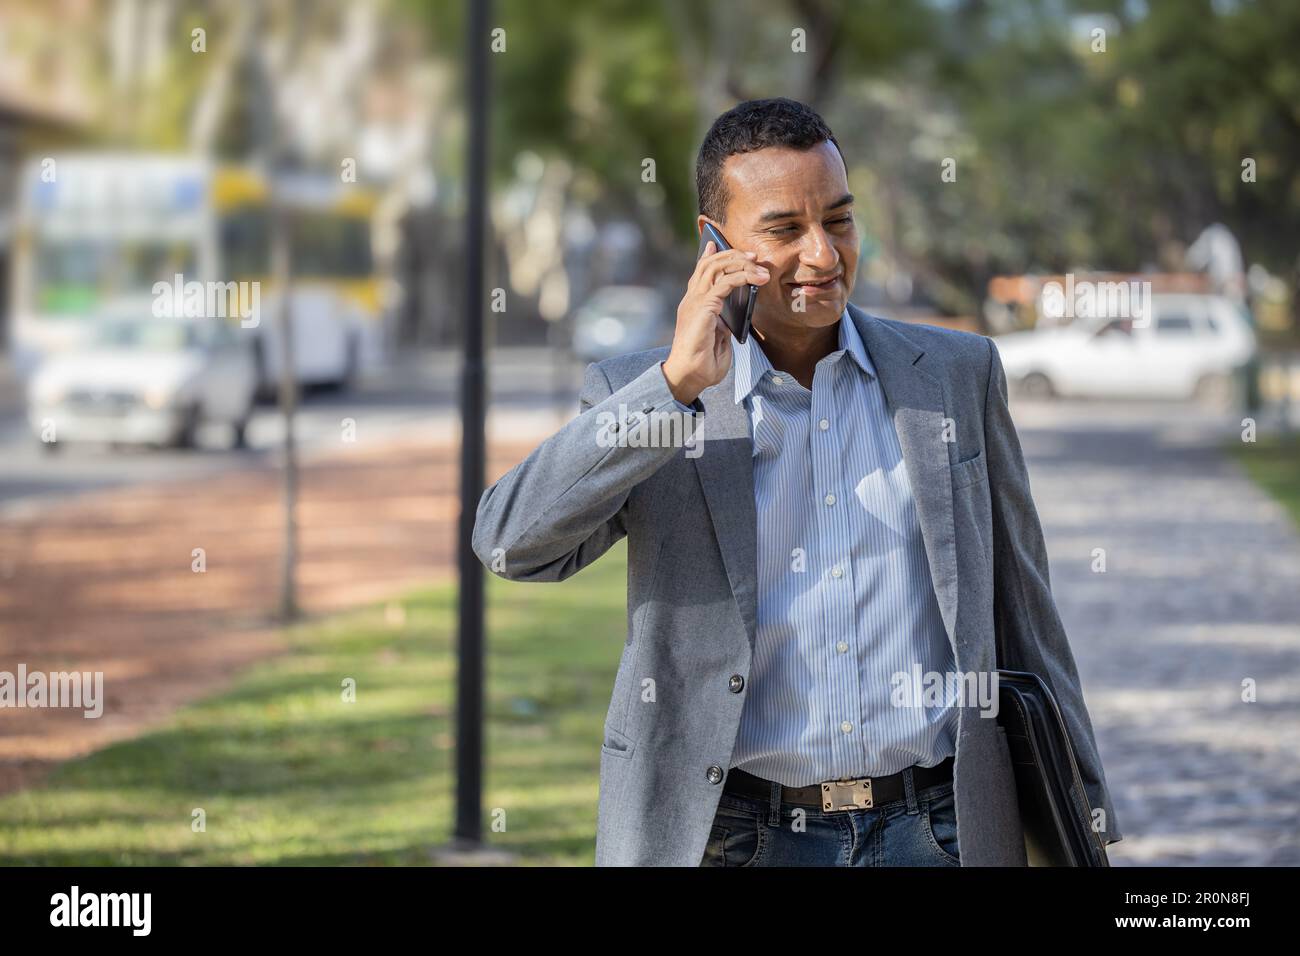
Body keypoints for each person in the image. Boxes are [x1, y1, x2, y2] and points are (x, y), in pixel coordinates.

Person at [473, 97, 1121, 866]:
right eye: (784, 230)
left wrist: (1088, 817)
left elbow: (1027, 609)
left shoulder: (954, 376)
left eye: (839, 221)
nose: (822, 255)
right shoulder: (647, 394)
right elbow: (512, 543)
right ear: (714, 244)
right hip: (738, 836)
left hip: (940, 829)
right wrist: (674, 386)